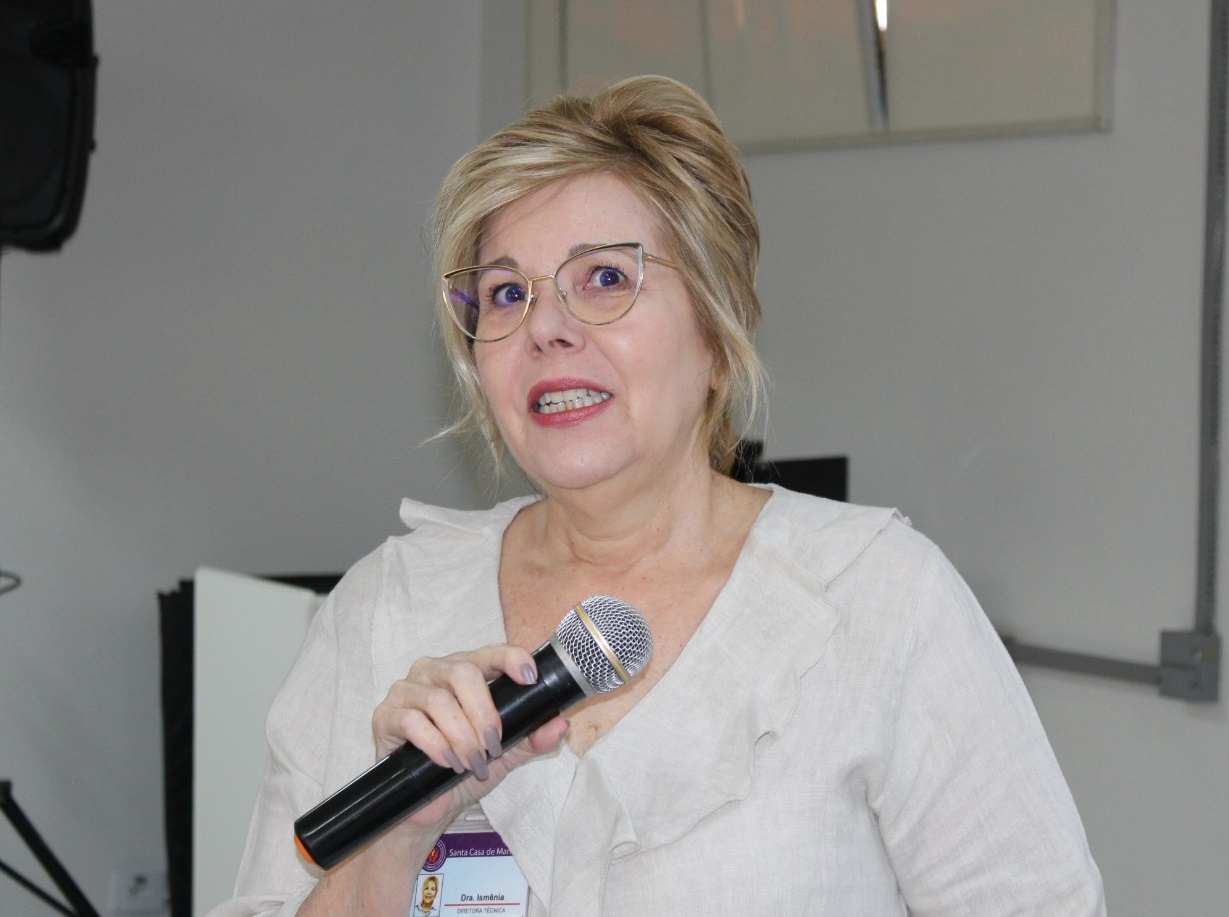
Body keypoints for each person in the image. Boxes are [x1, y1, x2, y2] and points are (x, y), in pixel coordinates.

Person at [210, 75, 1105, 916]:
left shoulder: (878, 599)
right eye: (507, 293)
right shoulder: (384, 609)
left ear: (715, 333)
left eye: (605, 277)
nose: (545, 327)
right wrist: (393, 843)